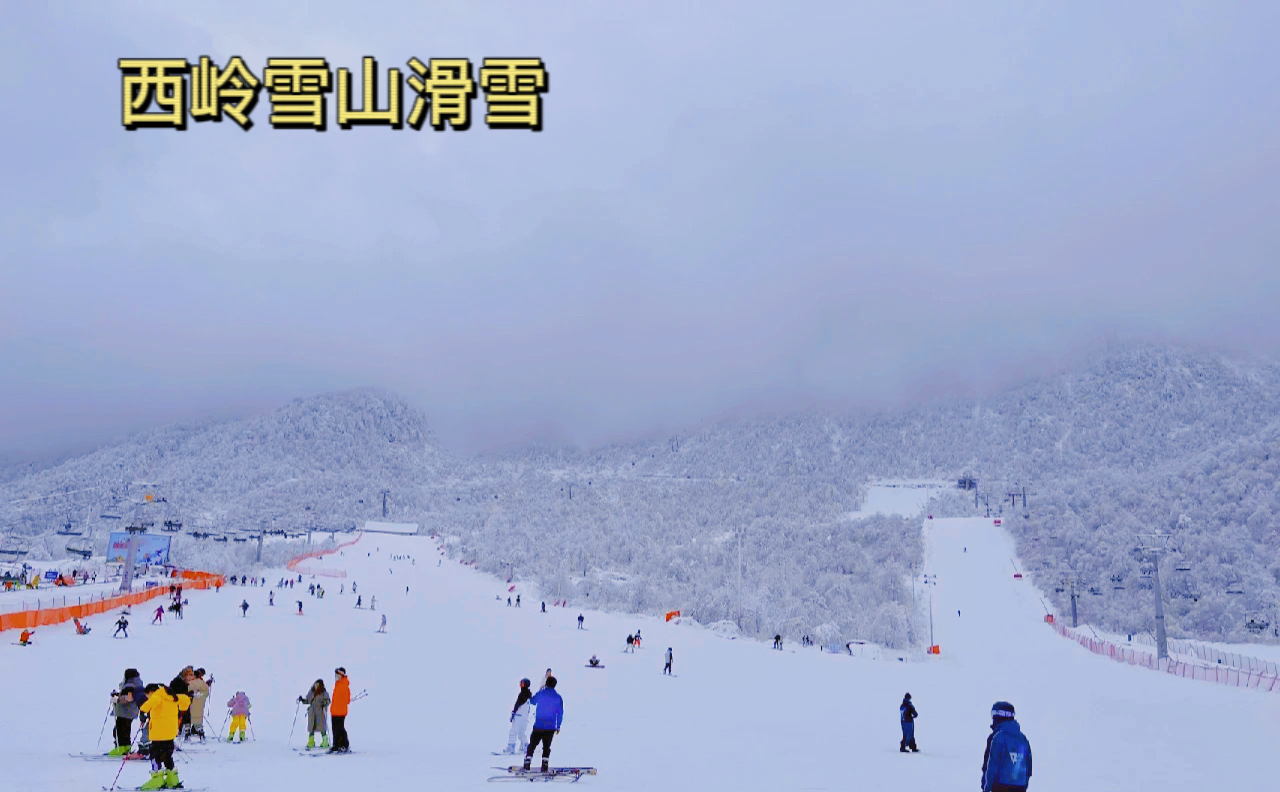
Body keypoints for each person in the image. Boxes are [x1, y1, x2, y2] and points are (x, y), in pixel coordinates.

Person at [138, 682, 191, 790]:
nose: (148, 697)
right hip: (170, 733)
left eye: (147, 695)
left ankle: (157, 779)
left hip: (158, 734)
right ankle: (173, 780)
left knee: (154, 756)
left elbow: (146, 706)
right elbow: (185, 699)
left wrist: (142, 714)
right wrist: (184, 708)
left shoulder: (157, 696)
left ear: (151, 692)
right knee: (167, 756)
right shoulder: (172, 696)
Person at [981, 701, 1032, 792]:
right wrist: (1023, 784)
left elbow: (991, 766)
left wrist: (987, 788)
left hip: (1000, 786)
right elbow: (1028, 767)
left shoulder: (997, 737)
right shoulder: (1023, 739)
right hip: (1020, 786)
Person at [523, 676, 563, 773]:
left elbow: (532, 701)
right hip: (550, 726)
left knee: (532, 744)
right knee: (546, 747)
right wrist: (558, 726)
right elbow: (560, 713)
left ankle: (527, 762)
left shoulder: (541, 693)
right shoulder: (558, 697)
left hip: (539, 724)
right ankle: (544, 765)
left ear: (546, 683)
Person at [109, 668, 146, 756]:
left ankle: (120, 748)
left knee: (119, 729)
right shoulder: (138, 684)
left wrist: (117, 699)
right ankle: (126, 746)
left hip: (125, 711)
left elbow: (128, 698)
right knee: (126, 729)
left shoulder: (130, 685)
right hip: (132, 712)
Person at [299, 680, 330, 750]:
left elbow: (328, 701)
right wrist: (302, 700)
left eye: (318, 684)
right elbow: (308, 700)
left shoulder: (324, 693)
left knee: (322, 727)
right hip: (312, 712)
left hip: (320, 712)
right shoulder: (311, 692)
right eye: (315, 684)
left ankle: (325, 742)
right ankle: (311, 742)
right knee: (311, 727)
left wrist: (324, 703)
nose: (316, 686)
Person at [505, 678, 532, 754]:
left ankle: (511, 747)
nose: (520, 685)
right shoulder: (528, 694)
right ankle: (526, 746)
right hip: (524, 718)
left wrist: (513, 712)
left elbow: (518, 704)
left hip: (519, 716)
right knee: (521, 733)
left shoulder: (523, 694)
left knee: (513, 732)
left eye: (522, 683)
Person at [329, 667, 352, 753]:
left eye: (337, 674)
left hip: (341, 711)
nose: (336, 676)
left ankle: (344, 745)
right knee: (334, 729)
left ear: (341, 675)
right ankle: (336, 745)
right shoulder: (337, 684)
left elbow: (347, 699)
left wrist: (341, 701)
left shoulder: (344, 684)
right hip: (334, 710)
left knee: (340, 729)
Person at [187, 670, 212, 741]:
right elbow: (206, 694)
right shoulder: (203, 684)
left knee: (188, 720)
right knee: (198, 719)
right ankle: (201, 734)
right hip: (200, 704)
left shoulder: (190, 683)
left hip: (190, 704)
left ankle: (187, 735)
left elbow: (186, 691)